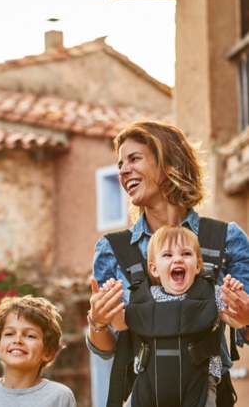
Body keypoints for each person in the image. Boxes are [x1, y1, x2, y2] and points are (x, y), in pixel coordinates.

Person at [86, 120, 249, 407]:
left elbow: (244, 327)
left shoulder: (226, 239)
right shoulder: (113, 250)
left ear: (170, 164)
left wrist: (247, 318)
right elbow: (108, 348)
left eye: (134, 159)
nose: (123, 171)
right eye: (120, 163)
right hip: (144, 395)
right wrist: (98, 323)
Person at [103, 225, 243, 407]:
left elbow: (237, 321)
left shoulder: (212, 294)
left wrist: (237, 302)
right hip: (147, 385)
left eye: (186, 254)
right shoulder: (142, 297)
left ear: (198, 265)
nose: (178, 259)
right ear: (154, 269)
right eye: (168, 255)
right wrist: (112, 305)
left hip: (199, 385)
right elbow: (121, 324)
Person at [0, 295, 77, 407]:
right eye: (9, 334)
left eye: (29, 335)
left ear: (48, 352)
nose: (17, 340)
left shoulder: (60, 396)